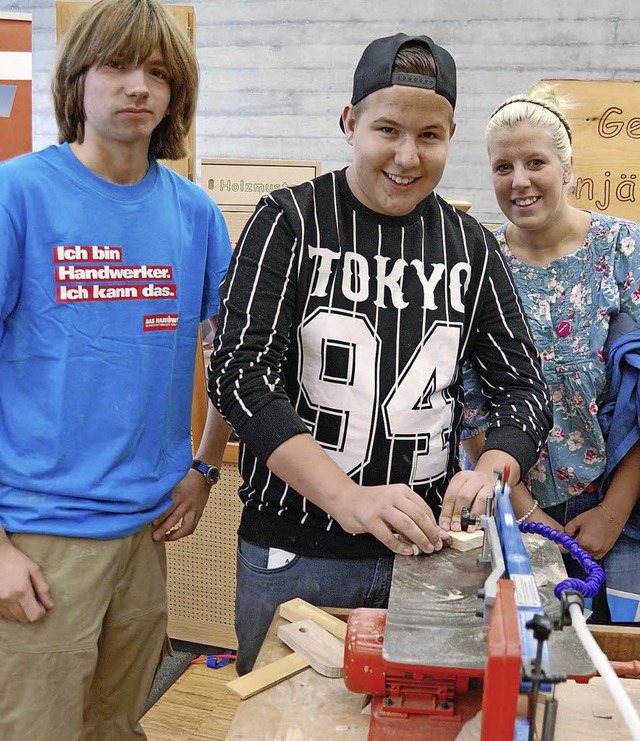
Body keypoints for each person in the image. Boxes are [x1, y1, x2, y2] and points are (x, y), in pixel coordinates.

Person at [208, 33, 552, 675]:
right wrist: (348, 497)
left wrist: (494, 470)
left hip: (427, 554)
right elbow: (238, 375)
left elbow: (524, 387)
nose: (406, 156)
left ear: (451, 136)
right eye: (387, 129)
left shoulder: (470, 244)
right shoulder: (290, 221)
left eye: (430, 136)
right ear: (349, 122)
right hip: (297, 550)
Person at [0, 0, 232, 738]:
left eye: (158, 73)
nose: (139, 86)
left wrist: (205, 465)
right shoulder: (19, 195)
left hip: (146, 530)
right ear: (77, 79)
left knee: (117, 726)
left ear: (175, 94)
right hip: (40, 534)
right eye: (117, 66)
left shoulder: (194, 212)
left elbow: (229, 351)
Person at [462, 83, 640, 623]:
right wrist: (532, 517)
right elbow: (469, 404)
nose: (519, 181)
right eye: (502, 167)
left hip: (623, 512)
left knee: (620, 667)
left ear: (567, 168)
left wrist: (612, 512)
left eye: (535, 161)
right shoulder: (480, 264)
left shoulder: (623, 249)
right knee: (533, 661)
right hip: (514, 508)